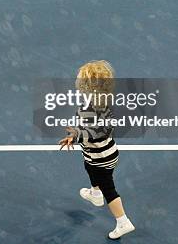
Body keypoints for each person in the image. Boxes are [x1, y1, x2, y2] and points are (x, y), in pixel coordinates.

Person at [58, 60, 135, 239]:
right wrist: (78, 132)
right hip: (106, 153)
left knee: (109, 188)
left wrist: (76, 136)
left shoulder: (88, 107)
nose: (76, 80)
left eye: (79, 78)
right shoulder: (103, 100)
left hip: (100, 157)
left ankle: (123, 222)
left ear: (86, 85)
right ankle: (95, 193)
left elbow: (96, 132)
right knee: (89, 167)